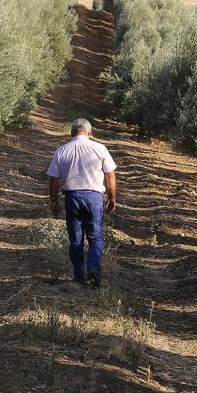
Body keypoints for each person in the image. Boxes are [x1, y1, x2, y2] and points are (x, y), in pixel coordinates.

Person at [46, 118, 117, 288]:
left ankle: (79, 276)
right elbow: (110, 175)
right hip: (94, 198)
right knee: (96, 237)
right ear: (89, 132)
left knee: (76, 240)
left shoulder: (61, 151)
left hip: (72, 198)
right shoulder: (100, 148)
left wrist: (54, 202)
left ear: (71, 133)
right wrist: (112, 198)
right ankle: (93, 268)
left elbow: (54, 179)